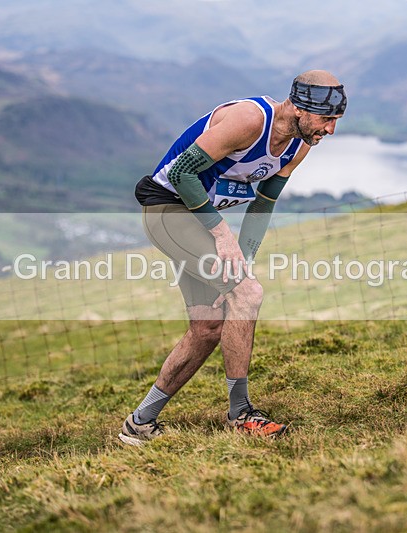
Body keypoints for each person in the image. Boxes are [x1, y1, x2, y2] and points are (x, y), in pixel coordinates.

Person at [118, 70, 347, 446]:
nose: (331, 130)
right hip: (167, 209)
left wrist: (245, 261)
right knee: (248, 294)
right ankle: (241, 415)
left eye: (336, 120)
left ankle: (140, 423)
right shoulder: (250, 120)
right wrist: (223, 237)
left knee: (208, 327)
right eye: (326, 119)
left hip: (197, 223)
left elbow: (263, 204)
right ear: (299, 108)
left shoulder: (299, 145)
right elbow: (182, 172)